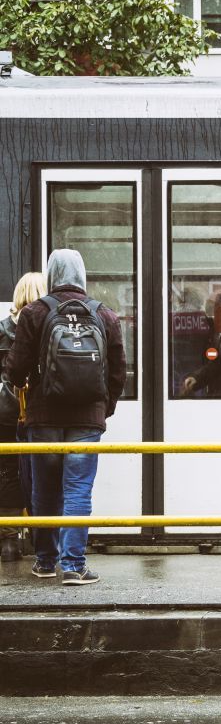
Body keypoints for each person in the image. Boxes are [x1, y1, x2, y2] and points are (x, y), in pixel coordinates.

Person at [4, 250, 126, 586]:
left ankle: (45, 562)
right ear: (82, 275)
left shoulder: (35, 312)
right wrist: (103, 408)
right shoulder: (105, 315)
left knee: (45, 491)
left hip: (43, 419)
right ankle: (73, 566)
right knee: (77, 492)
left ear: (52, 274)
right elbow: (118, 374)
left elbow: (14, 369)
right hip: (87, 420)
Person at [0, 273, 47, 562]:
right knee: (44, 474)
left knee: (7, 472)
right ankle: (44, 538)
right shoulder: (49, 327)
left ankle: (8, 541)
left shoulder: (3, 329)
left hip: (5, 413)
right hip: (39, 413)